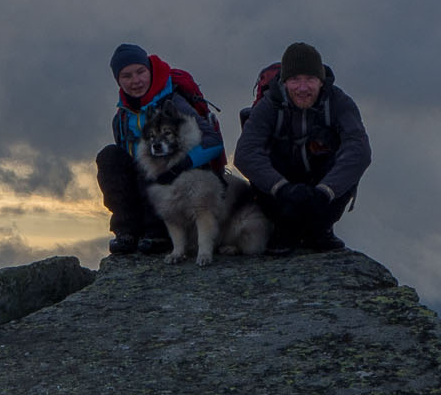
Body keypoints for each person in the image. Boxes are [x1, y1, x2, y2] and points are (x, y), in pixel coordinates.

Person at [234, 42, 371, 253]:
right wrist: (282, 189)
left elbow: (359, 150)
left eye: (310, 79)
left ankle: (321, 230)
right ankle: (283, 231)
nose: (303, 88)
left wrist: (325, 192)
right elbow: (245, 153)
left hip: (324, 191)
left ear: (321, 81)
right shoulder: (269, 105)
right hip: (280, 193)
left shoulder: (339, 103)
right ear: (285, 81)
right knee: (263, 166)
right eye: (295, 79)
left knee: (347, 160)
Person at [96, 43, 227, 255]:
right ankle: (126, 231)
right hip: (145, 191)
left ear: (150, 70)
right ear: (118, 81)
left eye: (141, 72)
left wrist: (184, 163)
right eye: (126, 76)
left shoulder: (175, 102)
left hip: (181, 187)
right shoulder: (121, 118)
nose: (135, 81)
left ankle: (157, 233)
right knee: (110, 156)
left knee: (151, 159)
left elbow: (213, 141)